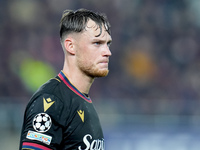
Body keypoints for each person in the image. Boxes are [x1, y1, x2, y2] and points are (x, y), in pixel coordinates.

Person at [19, 8, 112, 150]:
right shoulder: (51, 101)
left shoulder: (82, 101)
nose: (107, 52)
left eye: (108, 44)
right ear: (71, 46)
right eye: (97, 43)